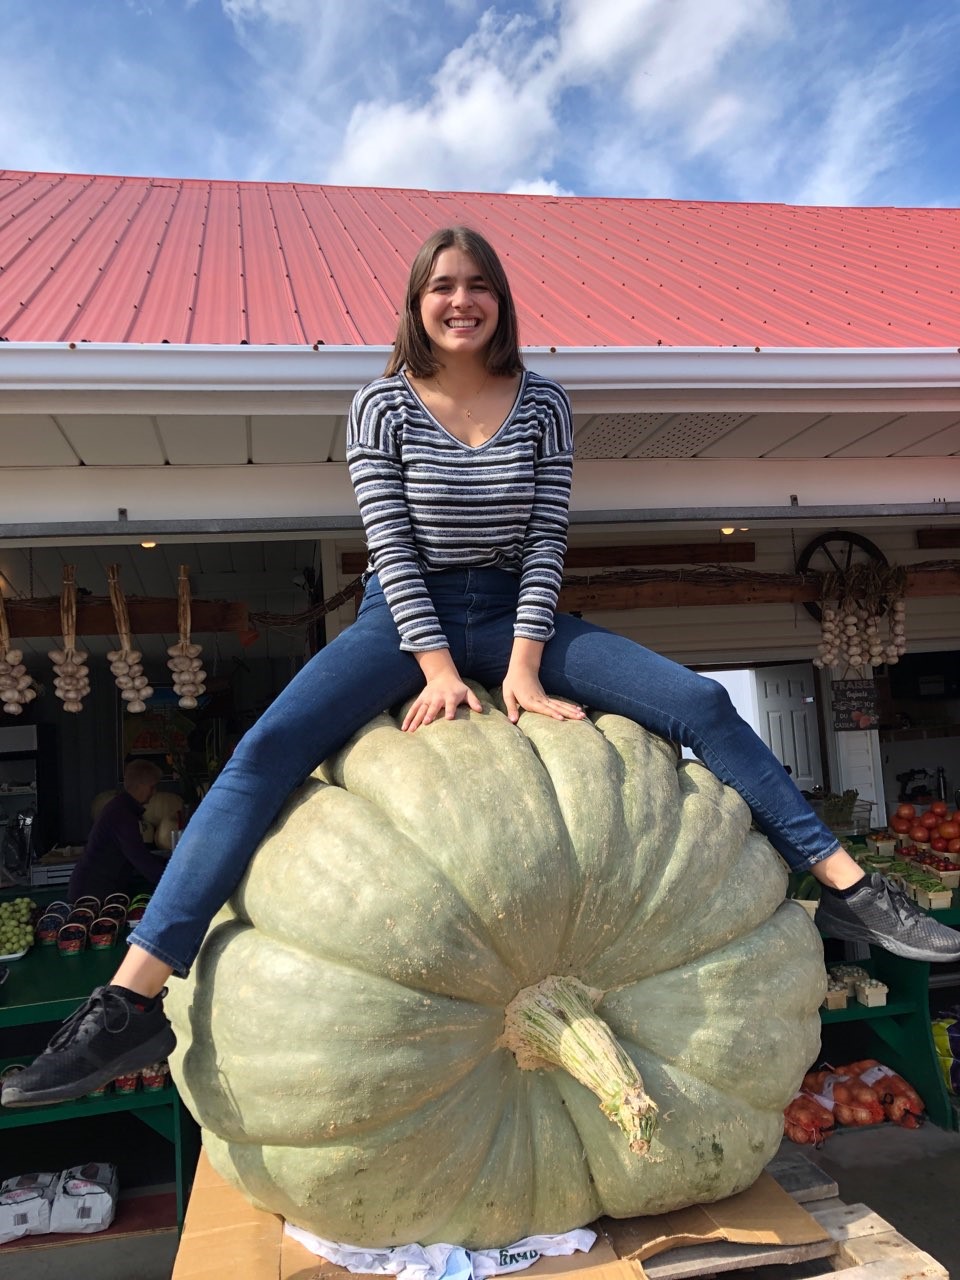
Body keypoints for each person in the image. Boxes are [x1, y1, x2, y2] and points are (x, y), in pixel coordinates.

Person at [4, 225, 958, 1111]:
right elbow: (389, 542)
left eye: (478, 287)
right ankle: (125, 1006)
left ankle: (853, 889)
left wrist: (529, 668)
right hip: (399, 616)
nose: (461, 301)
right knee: (261, 756)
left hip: (512, 611)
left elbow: (547, 538)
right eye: (442, 286)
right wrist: (432, 667)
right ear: (417, 302)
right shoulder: (380, 404)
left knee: (700, 702)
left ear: (500, 301)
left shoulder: (542, 402)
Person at [67, 759, 167, 904]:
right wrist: (175, 883)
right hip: (92, 896)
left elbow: (138, 855)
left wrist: (169, 863)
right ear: (141, 786)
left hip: (98, 891)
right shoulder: (122, 815)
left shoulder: (121, 809)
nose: (154, 792)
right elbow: (141, 860)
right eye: (152, 787)